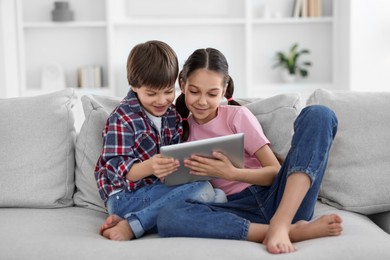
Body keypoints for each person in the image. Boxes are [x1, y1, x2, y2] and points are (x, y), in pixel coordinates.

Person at [157, 48, 343, 254]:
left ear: (224, 89)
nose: (202, 101)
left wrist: (231, 173)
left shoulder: (236, 116)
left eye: (212, 94)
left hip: (280, 199)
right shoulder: (176, 128)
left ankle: (281, 224)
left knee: (319, 114)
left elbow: (274, 171)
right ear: (182, 85)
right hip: (234, 209)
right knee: (168, 216)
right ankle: (285, 231)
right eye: (194, 91)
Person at [95, 41, 226, 241]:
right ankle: (133, 224)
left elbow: (175, 158)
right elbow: (118, 173)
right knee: (204, 191)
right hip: (125, 197)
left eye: (168, 91)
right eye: (151, 93)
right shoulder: (122, 118)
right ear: (134, 85)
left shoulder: (171, 115)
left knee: (218, 196)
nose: (161, 100)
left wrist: (180, 168)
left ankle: (135, 219)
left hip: (157, 191)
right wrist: (150, 167)